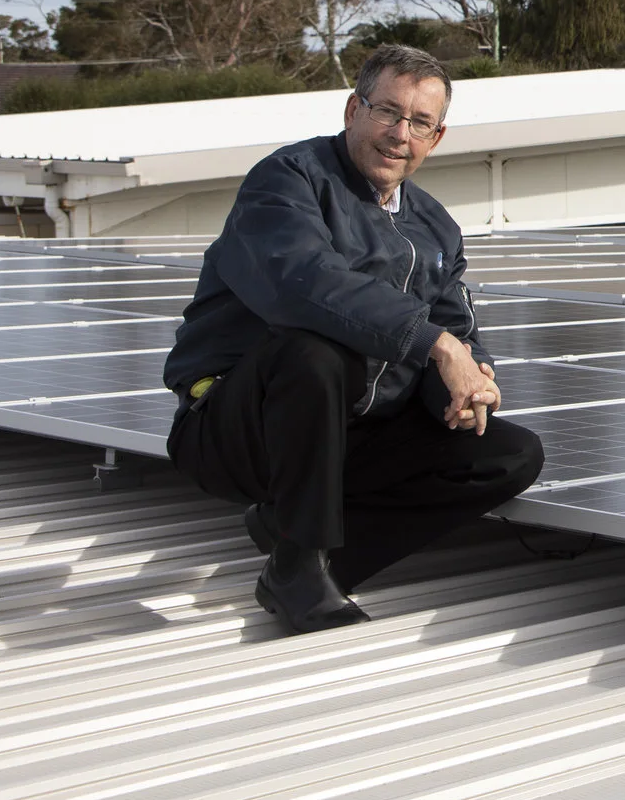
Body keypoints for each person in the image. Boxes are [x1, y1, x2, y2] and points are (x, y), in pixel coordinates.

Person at [162, 44, 544, 633]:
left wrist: (473, 378)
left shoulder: (436, 226)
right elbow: (304, 285)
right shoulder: (287, 182)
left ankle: (303, 557)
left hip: (352, 436)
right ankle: (299, 560)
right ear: (352, 109)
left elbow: (458, 324)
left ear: (437, 138)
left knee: (509, 453)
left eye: (419, 122)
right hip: (243, 428)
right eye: (387, 111)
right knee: (316, 346)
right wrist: (438, 346)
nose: (400, 134)